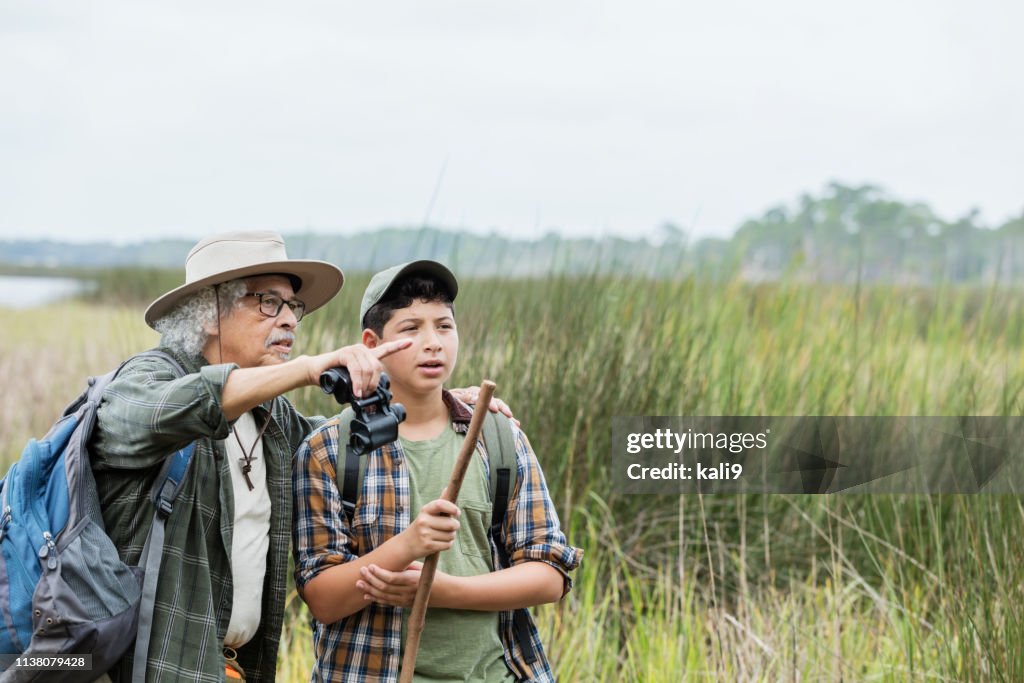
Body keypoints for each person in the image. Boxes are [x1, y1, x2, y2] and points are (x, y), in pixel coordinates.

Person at [91, 232, 507, 683]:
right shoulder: (147, 380)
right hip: (151, 666)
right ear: (210, 311)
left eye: (294, 306)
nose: (290, 319)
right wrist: (309, 368)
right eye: (269, 302)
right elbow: (158, 413)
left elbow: (340, 442)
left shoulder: (273, 417)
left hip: (232, 668)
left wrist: (443, 403)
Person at [293, 260, 583, 682]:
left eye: (444, 327)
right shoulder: (329, 450)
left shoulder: (498, 437)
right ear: (371, 344)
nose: (432, 343)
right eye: (410, 329)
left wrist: (443, 591)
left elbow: (549, 575)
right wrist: (409, 544)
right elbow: (321, 597)